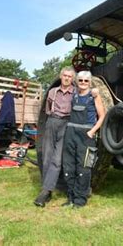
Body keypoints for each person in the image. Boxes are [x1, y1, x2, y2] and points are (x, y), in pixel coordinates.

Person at [62, 70, 105, 208]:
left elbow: (102, 116)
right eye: (80, 80)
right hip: (71, 133)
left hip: (86, 135)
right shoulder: (73, 94)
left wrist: (92, 131)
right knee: (69, 166)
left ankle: (80, 200)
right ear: (77, 81)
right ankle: (70, 197)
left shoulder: (94, 96)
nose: (83, 83)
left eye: (86, 81)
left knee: (84, 167)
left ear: (90, 82)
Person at [34, 66, 75, 207]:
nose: (67, 78)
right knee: (46, 158)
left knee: (57, 160)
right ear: (61, 76)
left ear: (72, 79)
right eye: (65, 75)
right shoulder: (52, 92)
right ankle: (47, 191)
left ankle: (45, 191)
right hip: (51, 122)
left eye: (70, 76)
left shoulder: (75, 93)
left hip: (66, 123)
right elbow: (47, 109)